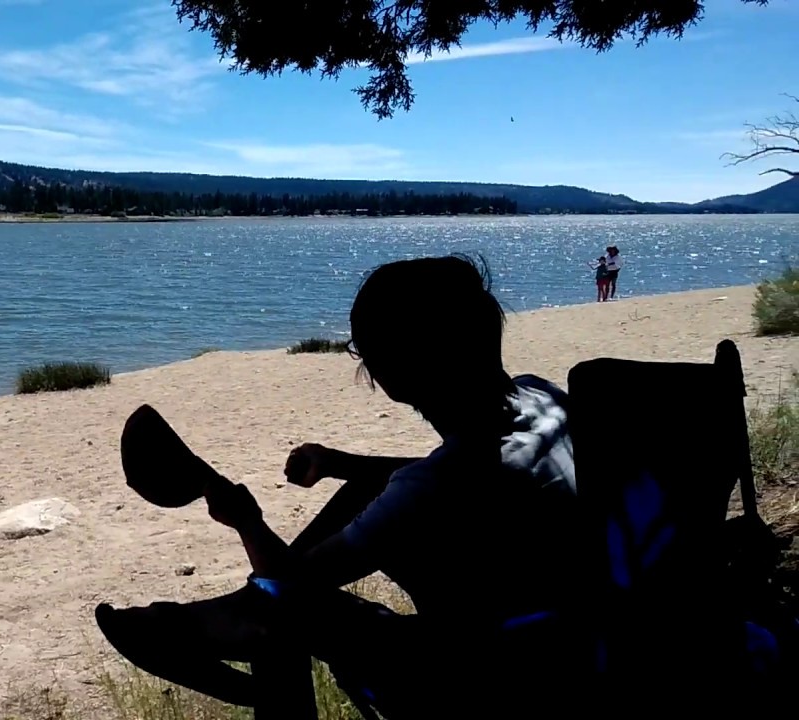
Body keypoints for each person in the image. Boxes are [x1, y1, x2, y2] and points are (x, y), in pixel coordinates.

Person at [95, 254, 583, 718]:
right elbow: (471, 475)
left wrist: (244, 516)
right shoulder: (541, 395)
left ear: (390, 372)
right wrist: (341, 463)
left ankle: (233, 623)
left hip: (494, 671)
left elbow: (295, 581)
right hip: (563, 617)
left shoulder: (435, 487)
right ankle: (241, 613)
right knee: (369, 490)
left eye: (362, 351)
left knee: (294, 602)